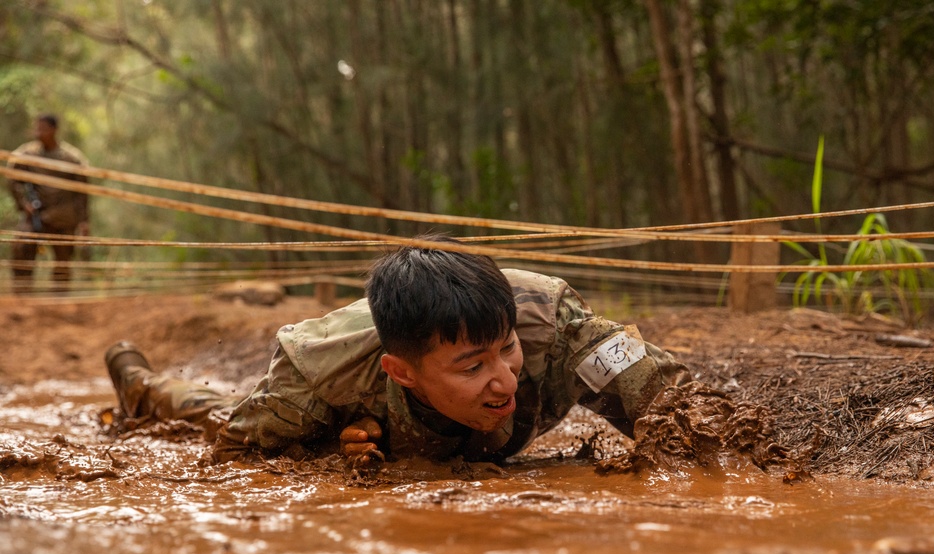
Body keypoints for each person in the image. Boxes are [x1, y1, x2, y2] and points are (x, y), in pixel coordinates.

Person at [105, 239, 692, 466]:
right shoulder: (320, 376)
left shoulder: (556, 326)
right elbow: (235, 457)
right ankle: (143, 385)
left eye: (506, 350)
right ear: (400, 372)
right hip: (333, 398)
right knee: (215, 414)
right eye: (471, 366)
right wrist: (332, 453)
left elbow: (675, 401)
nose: (505, 382)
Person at [6, 113, 90, 293]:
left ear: (54, 130)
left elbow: (83, 192)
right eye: (36, 128)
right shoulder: (26, 154)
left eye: (42, 129)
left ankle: (58, 303)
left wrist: (84, 221)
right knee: (21, 249)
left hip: (64, 217)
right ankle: (22, 299)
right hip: (35, 215)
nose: (38, 132)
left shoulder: (72, 158)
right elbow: (12, 179)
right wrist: (23, 203)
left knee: (63, 261)